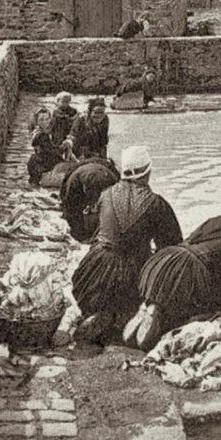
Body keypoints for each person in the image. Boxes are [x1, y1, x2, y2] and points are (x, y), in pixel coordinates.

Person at [125, 196, 221, 350]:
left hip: (165, 261)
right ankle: (157, 320)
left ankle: (151, 306)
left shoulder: (215, 221)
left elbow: (214, 263)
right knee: (211, 313)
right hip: (188, 272)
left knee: (173, 301)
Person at [72, 146, 183, 345]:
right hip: (131, 269)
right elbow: (171, 246)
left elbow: (97, 229)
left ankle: (100, 312)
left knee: (102, 292)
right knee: (140, 300)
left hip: (95, 268)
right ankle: (118, 319)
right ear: (147, 173)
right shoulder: (157, 204)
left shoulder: (106, 194)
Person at [59, 157, 120, 242]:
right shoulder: (73, 183)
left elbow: (117, 210)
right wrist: (79, 236)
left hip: (103, 169)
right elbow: (70, 210)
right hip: (83, 170)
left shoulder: (113, 182)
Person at [27, 108, 59, 186]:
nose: (45, 122)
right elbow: (49, 151)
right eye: (41, 120)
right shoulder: (40, 135)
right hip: (41, 164)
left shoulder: (44, 132)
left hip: (41, 161)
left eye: (47, 119)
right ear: (36, 121)